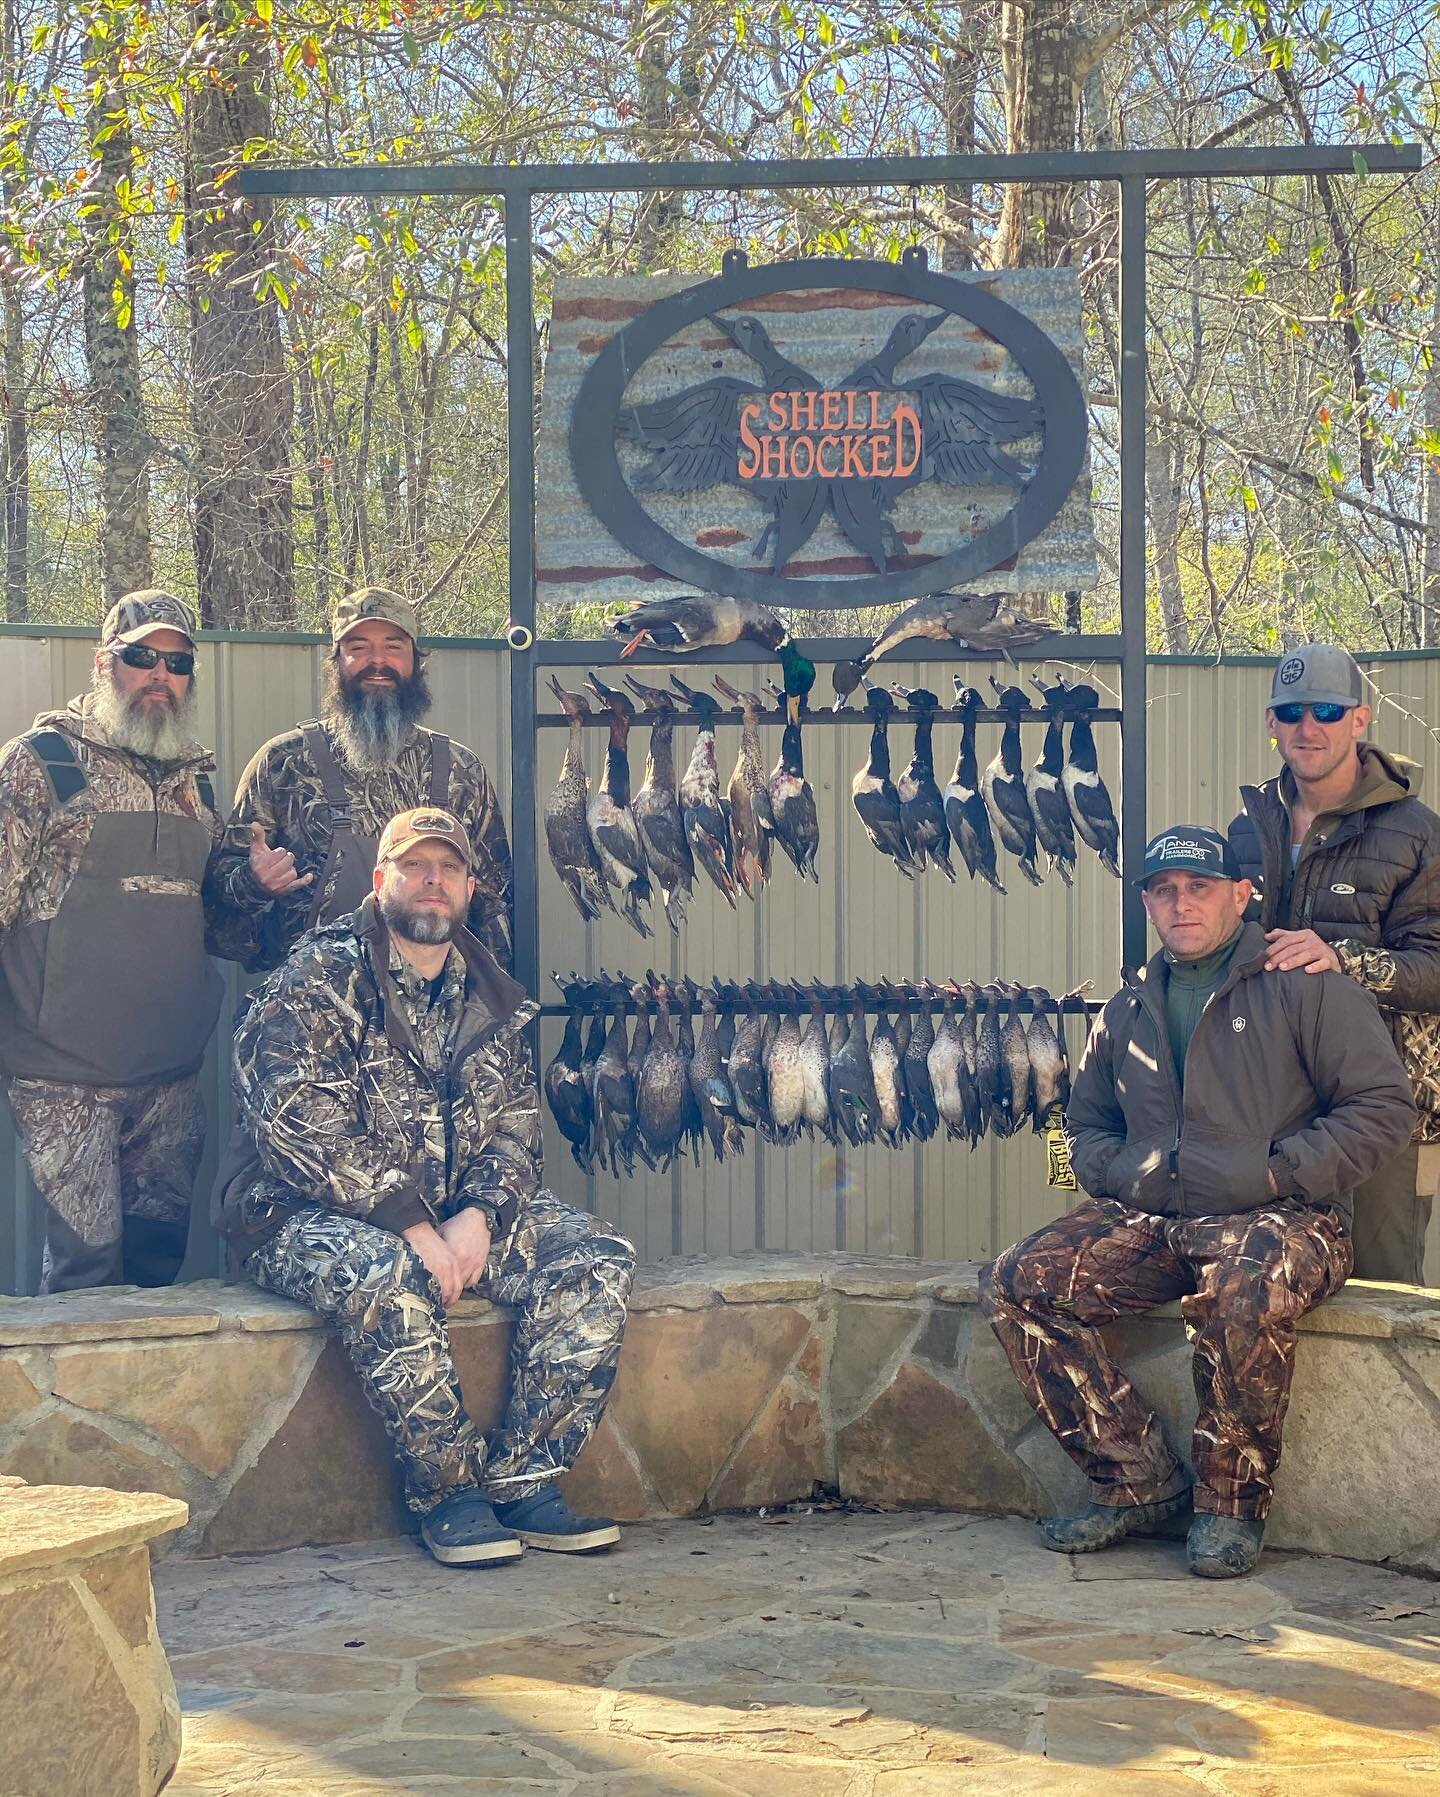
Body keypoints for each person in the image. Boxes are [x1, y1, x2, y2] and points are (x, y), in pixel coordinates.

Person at [981, 824, 1415, 1580]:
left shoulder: (1304, 985)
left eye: (1200, 886)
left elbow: (1382, 1108)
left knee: (1242, 1287)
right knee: (1018, 1279)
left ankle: (1231, 1507)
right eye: (1164, 889)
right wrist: (1122, 1175)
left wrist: (1279, 1171)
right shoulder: (1126, 1008)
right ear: (1149, 901)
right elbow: (1082, 1124)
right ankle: (1134, 1477)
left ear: (1241, 895)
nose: (1181, 903)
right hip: (1159, 1215)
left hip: (1289, 1215)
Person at [215, 806, 634, 1566]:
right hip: (297, 1212)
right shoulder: (318, 977)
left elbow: (514, 1131)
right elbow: (291, 1117)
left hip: (445, 1213)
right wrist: (412, 1224)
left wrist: (478, 1215)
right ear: (382, 881)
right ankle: (451, 1493)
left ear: (470, 887)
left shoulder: (491, 992)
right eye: (414, 866)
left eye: (447, 868)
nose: (431, 880)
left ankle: (525, 1480)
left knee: (594, 1254)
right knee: (390, 1274)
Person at [0, 590, 224, 1291]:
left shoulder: (199, 786)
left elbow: (219, 924)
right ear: (106, 663)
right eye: (142, 657)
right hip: (65, 1081)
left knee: (161, 1260)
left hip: (171, 1078)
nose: (161, 673)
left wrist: (266, 885)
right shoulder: (43, 765)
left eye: (177, 661)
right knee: (85, 1270)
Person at [1229, 643, 1440, 1285]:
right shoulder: (1246, 828)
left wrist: (1339, 958)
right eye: (1291, 711)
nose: (1308, 727)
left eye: (1326, 709)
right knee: (1263, 1285)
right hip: (1269, 1108)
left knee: (1378, 1292)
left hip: (1378, 1111)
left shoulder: (1416, 832)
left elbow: (1434, 970)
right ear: (1271, 724)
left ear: (1360, 718)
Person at [204, 586, 513, 974]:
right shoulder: (282, 764)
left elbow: (495, 906)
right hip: (310, 1012)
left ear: (417, 661)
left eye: (393, 646)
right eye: (359, 647)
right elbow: (219, 915)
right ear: (335, 662)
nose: (377, 661)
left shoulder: (459, 771)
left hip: (434, 1009)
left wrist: (493, 1010)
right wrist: (254, 883)